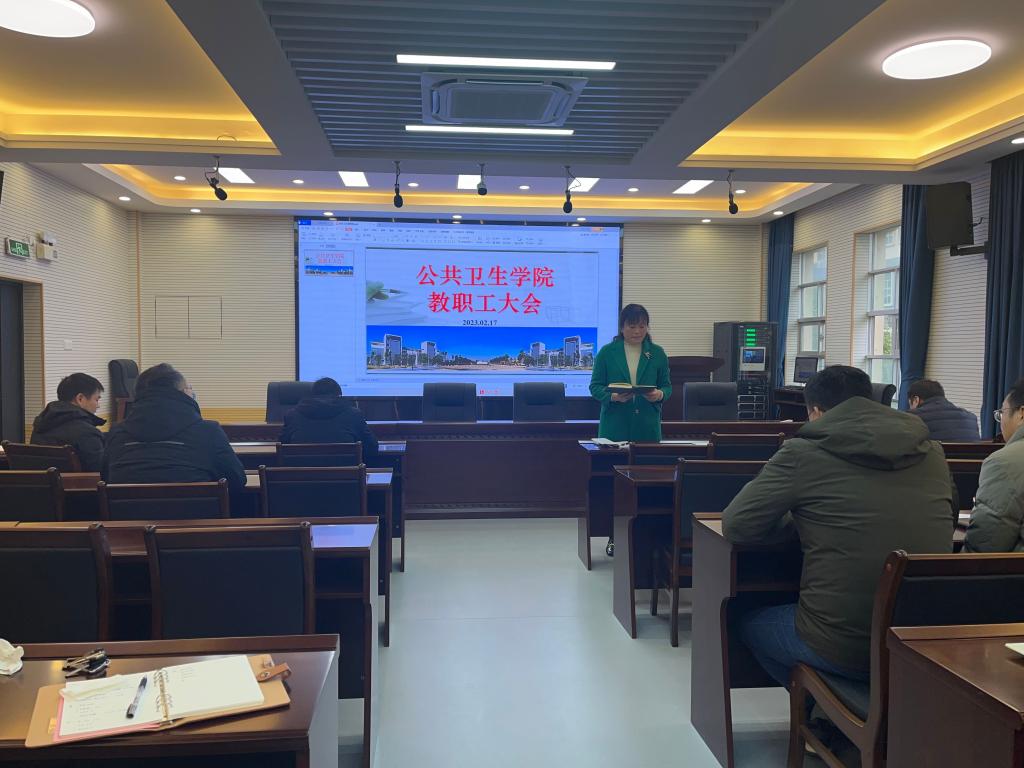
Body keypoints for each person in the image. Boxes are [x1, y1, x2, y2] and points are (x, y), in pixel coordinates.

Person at [722, 365, 956, 687]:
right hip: (918, 643)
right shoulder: (932, 452)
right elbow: (949, 515)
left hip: (844, 647)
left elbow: (737, 524)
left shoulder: (802, 452)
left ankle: (822, 704)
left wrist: (799, 523)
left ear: (816, 412)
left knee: (743, 622)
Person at [590, 304, 672, 555]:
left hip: (647, 428)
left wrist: (659, 394)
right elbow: (595, 387)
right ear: (622, 327)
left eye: (642, 326)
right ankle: (614, 537)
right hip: (615, 429)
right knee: (616, 487)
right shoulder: (607, 352)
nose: (637, 331)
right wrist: (613, 397)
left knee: (649, 487)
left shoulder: (657, 353)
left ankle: (648, 538)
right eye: (632, 326)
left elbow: (667, 387)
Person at [103, 363, 245, 495]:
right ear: (183, 394)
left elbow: (106, 479)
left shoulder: (117, 434)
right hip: (195, 513)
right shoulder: (208, 432)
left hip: (128, 514)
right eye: (189, 388)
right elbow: (237, 479)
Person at [963, 378, 1024, 552]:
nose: (1001, 421)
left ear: (1021, 413)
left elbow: (985, 546)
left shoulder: (1005, 463)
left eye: (1002, 412)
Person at [281, 377, 378, 461]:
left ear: (312, 395)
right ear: (339, 395)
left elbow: (282, 447)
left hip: (299, 476)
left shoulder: (292, 415)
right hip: (346, 475)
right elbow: (372, 448)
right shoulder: (354, 414)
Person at [30, 372, 106, 471]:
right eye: (96, 400)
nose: (98, 405)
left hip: (38, 481)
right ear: (80, 399)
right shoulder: (88, 433)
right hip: (78, 482)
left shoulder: (40, 426)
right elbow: (101, 473)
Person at [907, 379, 980, 441]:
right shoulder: (971, 418)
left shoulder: (913, 418)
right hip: (969, 454)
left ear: (916, 400)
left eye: (910, 404)